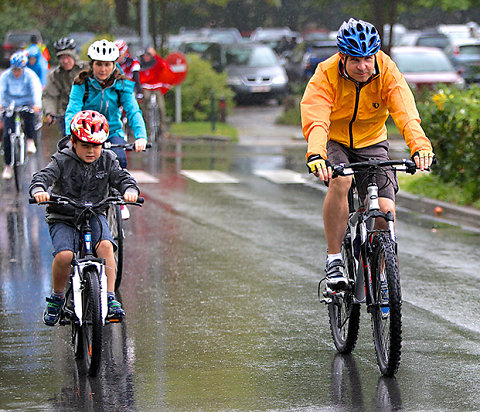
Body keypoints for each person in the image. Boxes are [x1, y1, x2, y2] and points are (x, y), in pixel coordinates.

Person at [301, 18, 435, 292]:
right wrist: (317, 154)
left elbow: (406, 113)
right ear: (343, 57)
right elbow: (316, 119)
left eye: (368, 59)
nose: (363, 67)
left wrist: (420, 146)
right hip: (335, 140)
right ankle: (335, 259)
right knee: (341, 181)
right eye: (355, 60)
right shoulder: (325, 74)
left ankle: (382, 273)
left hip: (372, 141)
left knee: (385, 210)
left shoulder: (386, 70)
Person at [29, 110, 140, 326]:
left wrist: (129, 189)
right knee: (64, 255)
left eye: (96, 146)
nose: (91, 151)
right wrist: (39, 190)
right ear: (73, 142)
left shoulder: (108, 160)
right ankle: (57, 298)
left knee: (106, 246)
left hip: (95, 213)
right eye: (85, 145)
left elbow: (122, 178)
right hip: (64, 216)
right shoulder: (62, 160)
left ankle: (110, 298)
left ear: (103, 144)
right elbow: (43, 176)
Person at [65, 39, 147, 171]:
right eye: (99, 64)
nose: (103, 69)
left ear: (114, 65)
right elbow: (72, 110)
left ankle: (117, 191)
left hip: (112, 132)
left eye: (107, 65)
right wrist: (70, 135)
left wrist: (141, 136)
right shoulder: (81, 83)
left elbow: (133, 111)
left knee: (119, 159)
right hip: (84, 133)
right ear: (92, 64)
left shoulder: (123, 85)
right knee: (71, 165)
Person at [0, 51, 42, 179]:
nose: (16, 72)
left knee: (29, 118)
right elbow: (1, 90)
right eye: (15, 69)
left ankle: (30, 140)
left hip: (26, 103)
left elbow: (36, 89)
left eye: (19, 70)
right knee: (7, 134)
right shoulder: (6, 76)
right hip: (10, 104)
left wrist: (37, 104)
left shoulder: (30, 75)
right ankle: (7, 166)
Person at [42, 37, 89, 135]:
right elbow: (50, 96)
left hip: (88, 112)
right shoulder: (56, 75)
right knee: (67, 145)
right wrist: (50, 112)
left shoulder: (87, 69)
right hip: (67, 115)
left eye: (68, 56)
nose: (65, 61)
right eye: (62, 57)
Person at [139, 47, 175, 137]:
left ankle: (162, 130)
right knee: (145, 103)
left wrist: (155, 54)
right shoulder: (140, 66)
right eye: (145, 56)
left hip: (156, 87)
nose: (146, 58)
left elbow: (163, 65)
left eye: (148, 56)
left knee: (161, 107)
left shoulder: (156, 64)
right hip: (146, 87)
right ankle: (146, 128)